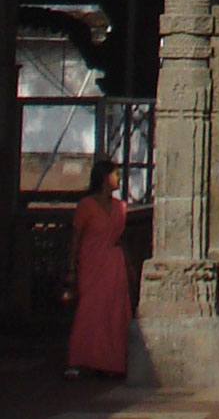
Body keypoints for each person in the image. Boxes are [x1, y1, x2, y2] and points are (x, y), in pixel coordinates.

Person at [61, 155, 131, 379]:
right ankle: (79, 359)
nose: (119, 178)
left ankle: (111, 361)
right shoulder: (86, 205)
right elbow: (76, 237)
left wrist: (129, 265)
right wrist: (71, 268)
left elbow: (121, 238)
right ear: (104, 178)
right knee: (89, 309)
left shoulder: (120, 206)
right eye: (115, 174)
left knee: (113, 312)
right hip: (91, 261)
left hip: (114, 261)